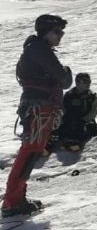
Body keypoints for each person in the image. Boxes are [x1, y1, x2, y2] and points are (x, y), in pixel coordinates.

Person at [2, 14, 73, 218]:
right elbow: (64, 79)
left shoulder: (34, 49)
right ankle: (12, 201)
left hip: (37, 107)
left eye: (62, 32)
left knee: (30, 151)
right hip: (39, 108)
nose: (61, 36)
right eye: (57, 32)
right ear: (45, 32)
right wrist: (66, 72)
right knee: (30, 152)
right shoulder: (39, 49)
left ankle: (15, 198)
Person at [52, 72, 97, 151]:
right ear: (78, 82)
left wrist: (83, 120)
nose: (88, 84)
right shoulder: (68, 95)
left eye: (89, 81)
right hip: (69, 120)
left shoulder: (92, 96)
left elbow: (93, 112)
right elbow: (62, 108)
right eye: (85, 81)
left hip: (85, 122)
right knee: (59, 129)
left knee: (83, 129)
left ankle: (75, 143)